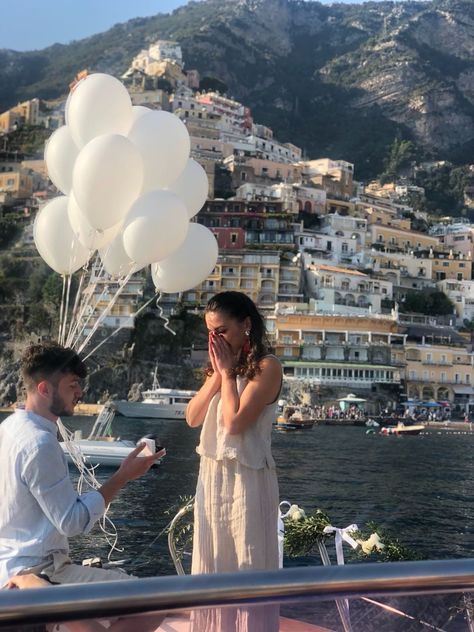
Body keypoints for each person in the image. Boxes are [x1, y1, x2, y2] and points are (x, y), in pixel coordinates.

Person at [0, 342, 164, 587]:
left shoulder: (9, 428)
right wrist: (122, 476)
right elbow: (72, 522)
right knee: (148, 597)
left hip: (9, 566)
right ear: (44, 389)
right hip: (39, 572)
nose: (80, 392)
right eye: (72, 385)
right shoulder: (40, 443)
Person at [186, 291, 282, 632]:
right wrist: (218, 375)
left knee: (248, 563)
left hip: (247, 479)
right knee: (212, 563)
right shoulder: (221, 370)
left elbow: (235, 423)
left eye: (222, 331)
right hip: (212, 477)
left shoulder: (267, 367)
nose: (216, 340)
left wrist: (227, 376)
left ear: (246, 325)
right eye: (210, 333)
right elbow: (192, 417)